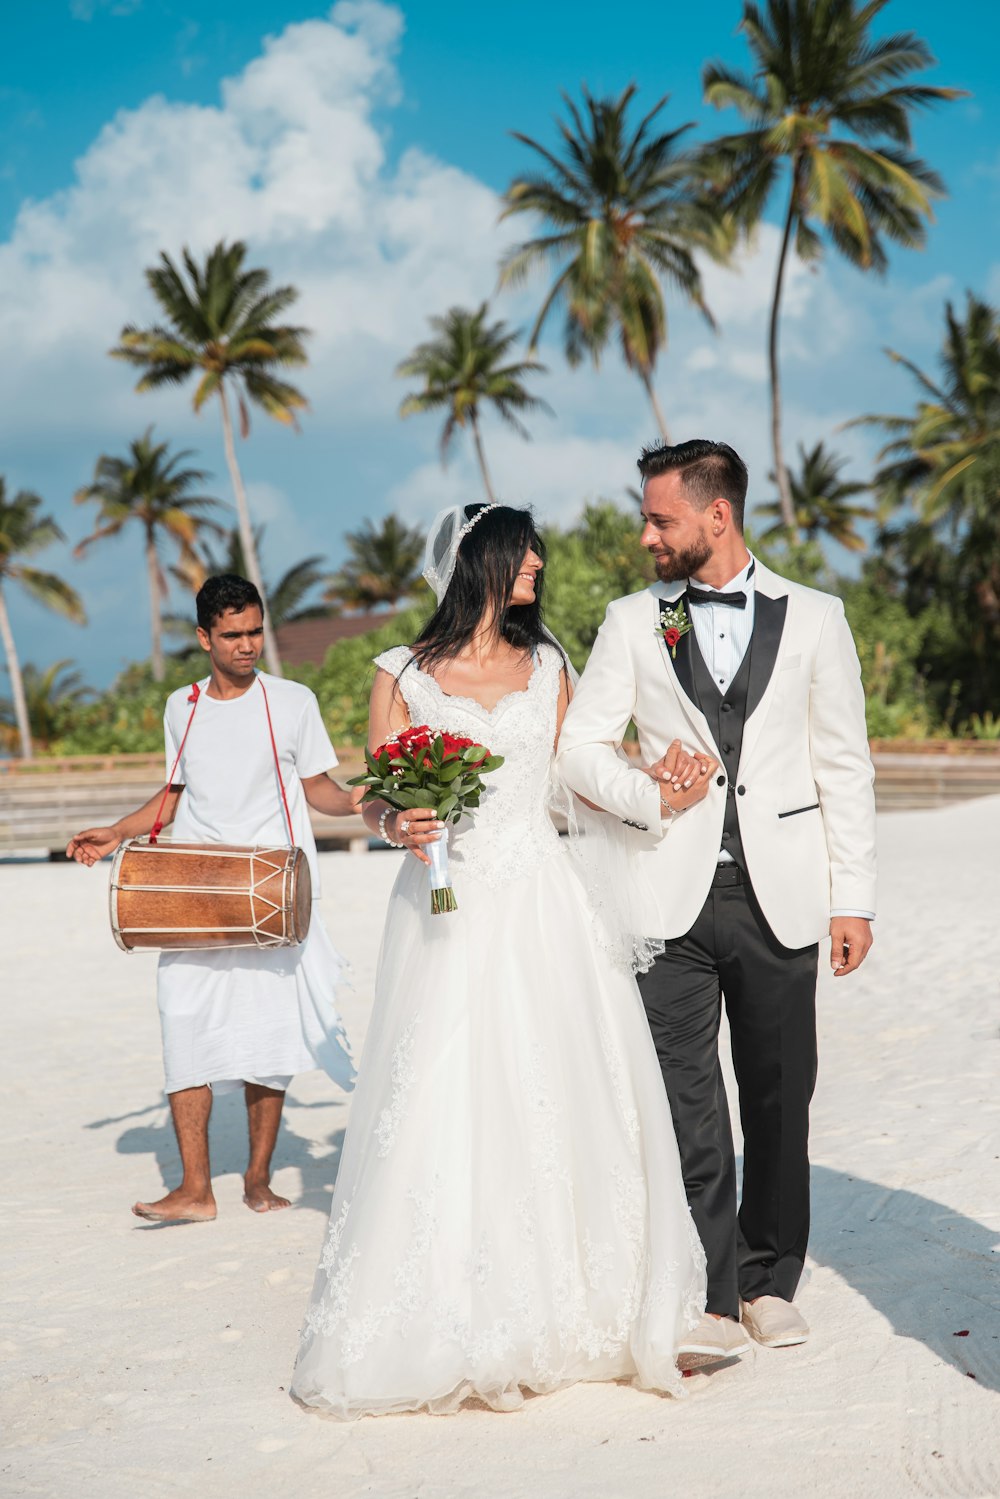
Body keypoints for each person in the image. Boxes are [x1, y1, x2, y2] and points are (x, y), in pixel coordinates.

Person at [292, 502, 719, 1420]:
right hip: (446, 907)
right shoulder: (399, 672)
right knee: (448, 1090)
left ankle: (590, 1312)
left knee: (564, 1088)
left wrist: (658, 795)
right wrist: (396, 821)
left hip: (543, 901)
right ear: (478, 558)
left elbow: (579, 782)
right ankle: (452, 1312)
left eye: (536, 550)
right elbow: (375, 790)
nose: (537, 560)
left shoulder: (552, 664)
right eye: (522, 548)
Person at [557, 439, 877, 1358]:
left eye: (661, 518)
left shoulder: (817, 618)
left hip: (783, 894)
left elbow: (845, 766)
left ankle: (771, 1279)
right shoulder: (629, 621)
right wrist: (649, 789)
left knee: (781, 1093)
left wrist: (852, 897)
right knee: (683, 1098)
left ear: (716, 516)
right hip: (668, 895)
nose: (646, 533)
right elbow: (578, 748)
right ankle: (710, 1286)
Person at [67, 574, 359, 1224]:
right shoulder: (184, 706)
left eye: (256, 630)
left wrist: (359, 798)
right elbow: (172, 797)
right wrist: (117, 831)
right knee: (184, 1025)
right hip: (195, 900)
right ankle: (196, 1189)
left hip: (268, 895)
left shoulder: (292, 701)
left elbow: (320, 788)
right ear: (204, 636)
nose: (248, 645)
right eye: (233, 635)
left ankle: (257, 1179)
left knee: (269, 1038)